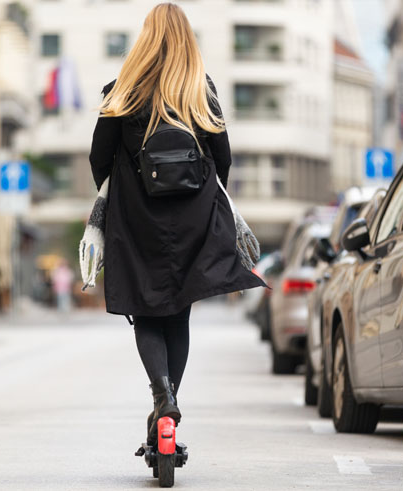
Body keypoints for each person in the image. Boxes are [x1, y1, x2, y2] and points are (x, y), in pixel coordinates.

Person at [87, 3, 266, 453]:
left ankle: (162, 399)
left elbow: (97, 157)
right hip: (191, 219)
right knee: (178, 313)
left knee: (145, 312)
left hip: (136, 218)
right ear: (188, 40)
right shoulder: (200, 90)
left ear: (145, 38)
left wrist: (119, 198)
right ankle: (168, 409)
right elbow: (223, 160)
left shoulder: (120, 90)